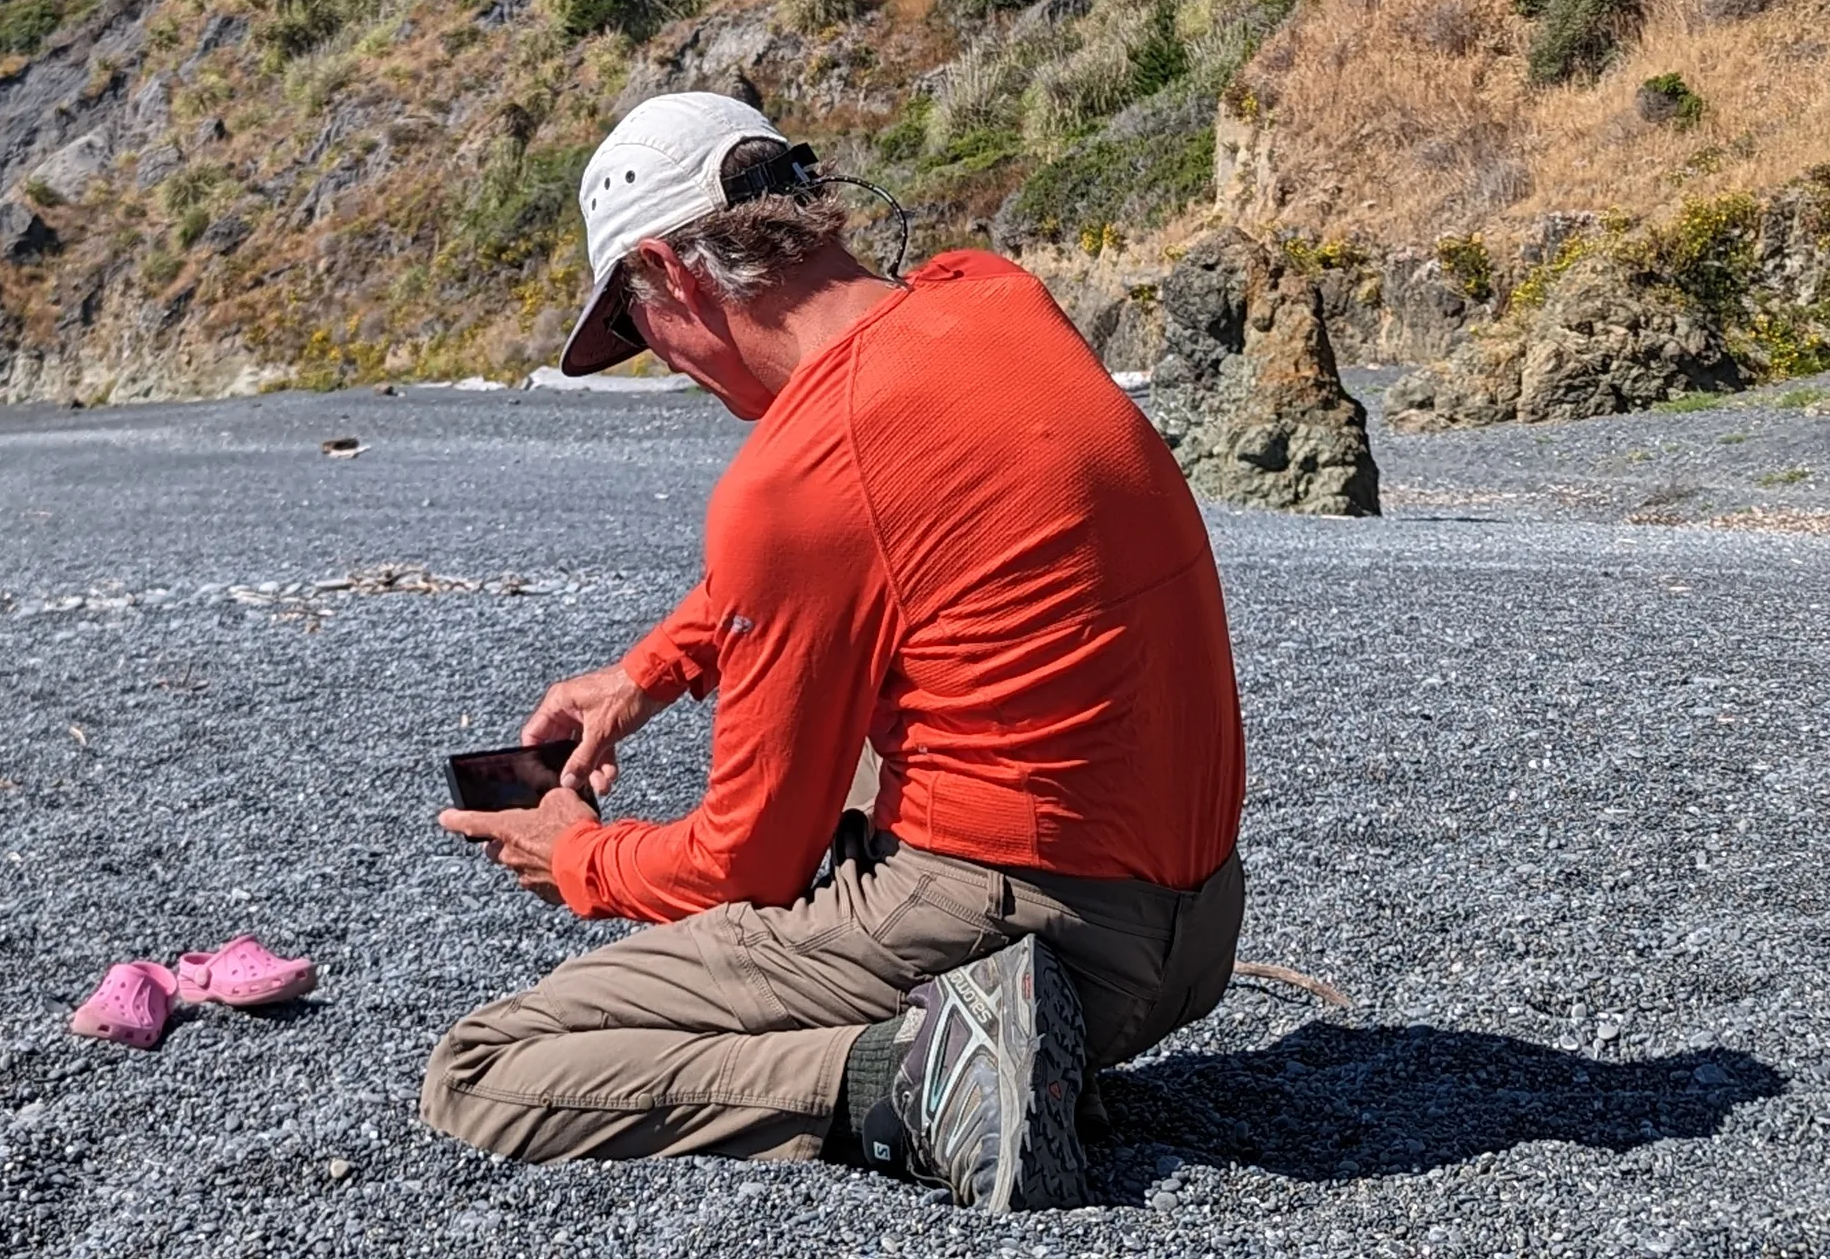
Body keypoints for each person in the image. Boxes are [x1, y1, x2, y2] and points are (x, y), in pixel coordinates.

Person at [423, 90, 1251, 1212]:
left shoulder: (798, 475)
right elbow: (871, 533)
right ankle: (984, 1028)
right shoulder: (991, 295)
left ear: (671, 274)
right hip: (1195, 930)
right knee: (886, 696)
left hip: (1051, 942)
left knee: (486, 1073)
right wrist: (646, 674)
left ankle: (912, 1081)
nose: (654, 359)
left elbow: (742, 862)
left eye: (630, 323)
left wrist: (576, 858)